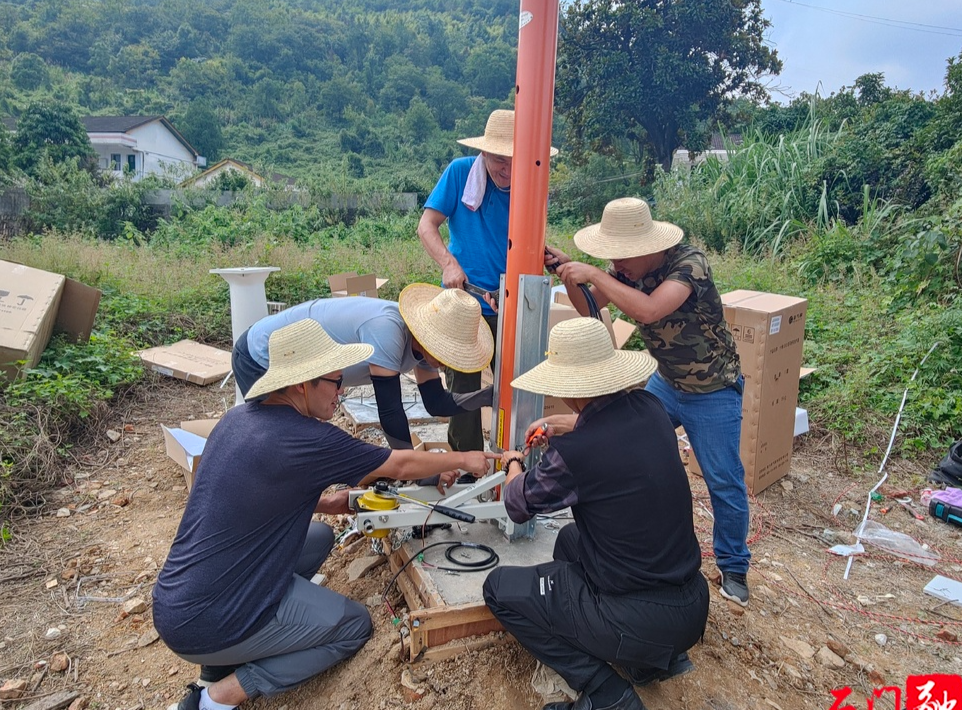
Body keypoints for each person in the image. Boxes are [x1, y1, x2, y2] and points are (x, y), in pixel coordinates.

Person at [154, 319, 498, 710]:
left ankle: (234, 651)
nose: (341, 392)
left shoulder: (237, 420)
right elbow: (398, 465)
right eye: (335, 383)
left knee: (318, 536)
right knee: (353, 626)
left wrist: (328, 503)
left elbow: (240, 491)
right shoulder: (310, 438)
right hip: (212, 621)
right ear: (303, 385)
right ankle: (217, 697)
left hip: (177, 600)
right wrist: (468, 457)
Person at [484, 318, 709, 710]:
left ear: (568, 388)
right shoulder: (651, 408)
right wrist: (563, 425)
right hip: (691, 606)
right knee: (570, 540)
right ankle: (644, 662)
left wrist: (513, 463)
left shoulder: (576, 456)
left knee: (499, 590)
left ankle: (607, 693)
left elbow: (518, 505)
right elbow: (608, 426)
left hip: (638, 618)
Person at [545, 197, 751, 606]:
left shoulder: (689, 265)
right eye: (611, 259)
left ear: (646, 246)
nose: (616, 265)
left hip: (712, 390)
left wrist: (595, 276)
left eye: (621, 257)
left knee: (723, 480)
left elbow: (652, 310)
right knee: (623, 438)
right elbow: (589, 308)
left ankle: (733, 566)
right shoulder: (625, 270)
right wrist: (571, 273)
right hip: (667, 382)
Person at [417, 108, 557, 452]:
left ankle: (517, 456)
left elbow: (524, 239)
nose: (506, 169)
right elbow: (426, 226)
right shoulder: (460, 173)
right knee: (463, 388)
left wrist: (545, 254)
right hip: (464, 301)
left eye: (514, 159)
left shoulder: (531, 182)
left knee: (519, 383)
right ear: (483, 152)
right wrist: (449, 265)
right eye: (498, 160)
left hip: (510, 301)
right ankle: (466, 465)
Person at [231, 286, 494, 450]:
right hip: (262, 354)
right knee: (276, 438)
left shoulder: (423, 348)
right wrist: (414, 470)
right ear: (428, 337)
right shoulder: (388, 329)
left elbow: (436, 402)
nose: (446, 360)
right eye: (444, 351)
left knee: (293, 436)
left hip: (298, 362)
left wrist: (486, 397)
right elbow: (390, 411)